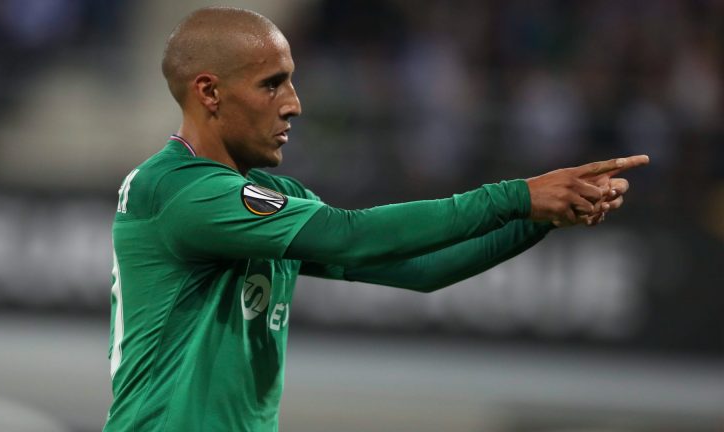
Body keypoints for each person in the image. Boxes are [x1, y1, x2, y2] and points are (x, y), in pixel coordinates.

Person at [103, 6, 649, 432]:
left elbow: (421, 270)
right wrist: (514, 196)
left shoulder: (269, 194)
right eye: (272, 83)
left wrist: (542, 216)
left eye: (290, 81)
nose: (294, 103)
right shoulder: (177, 190)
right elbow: (352, 235)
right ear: (209, 91)